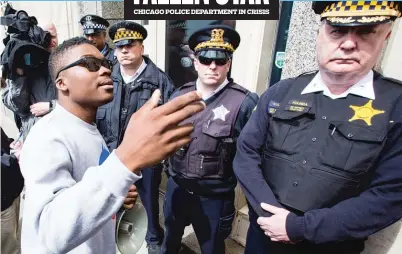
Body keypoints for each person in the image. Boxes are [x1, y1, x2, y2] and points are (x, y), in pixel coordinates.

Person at [233, 1, 402, 254]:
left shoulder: (396, 106)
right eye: (337, 30)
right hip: (264, 236)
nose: (347, 44)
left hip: (331, 246)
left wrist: (300, 227)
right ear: (319, 33)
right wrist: (271, 216)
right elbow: (246, 154)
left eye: (366, 31)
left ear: (386, 35)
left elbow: (391, 193)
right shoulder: (282, 91)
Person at [18, 36, 205, 254]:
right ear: (62, 83)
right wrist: (125, 160)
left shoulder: (85, 125)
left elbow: (84, 186)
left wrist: (117, 191)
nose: (105, 70)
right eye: (90, 64)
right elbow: (50, 233)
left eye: (106, 64)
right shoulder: (48, 136)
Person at [161, 25, 259, 254]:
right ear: (195, 62)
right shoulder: (179, 95)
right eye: (205, 59)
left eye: (220, 59)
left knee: (212, 248)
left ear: (229, 62)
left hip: (214, 197)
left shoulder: (245, 103)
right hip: (177, 187)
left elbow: (253, 155)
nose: (212, 66)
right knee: (170, 241)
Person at [96, 20, 175, 253]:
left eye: (130, 45)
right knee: (110, 200)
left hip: (146, 160)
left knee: (149, 201)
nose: (125, 51)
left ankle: (152, 239)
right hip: (112, 155)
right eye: (120, 47)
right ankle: (114, 237)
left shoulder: (160, 81)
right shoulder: (106, 77)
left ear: (141, 47)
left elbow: (170, 122)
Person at [1, 128, 24, 254]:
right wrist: (13, 158)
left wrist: (11, 144)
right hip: (2, 205)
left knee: (13, 237)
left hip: (12, 190)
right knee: (8, 248)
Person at [166, 20, 197, 88]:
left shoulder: (181, 49)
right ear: (171, 31)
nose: (185, 34)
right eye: (182, 31)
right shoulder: (172, 51)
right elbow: (191, 74)